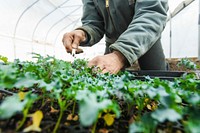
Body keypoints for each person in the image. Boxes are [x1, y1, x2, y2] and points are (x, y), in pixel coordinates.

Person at [62, 0, 169, 74]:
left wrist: (119, 55)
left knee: (158, 84)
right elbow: (94, 22)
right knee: (107, 90)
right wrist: (83, 32)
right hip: (113, 44)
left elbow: (151, 14)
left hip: (145, 40)